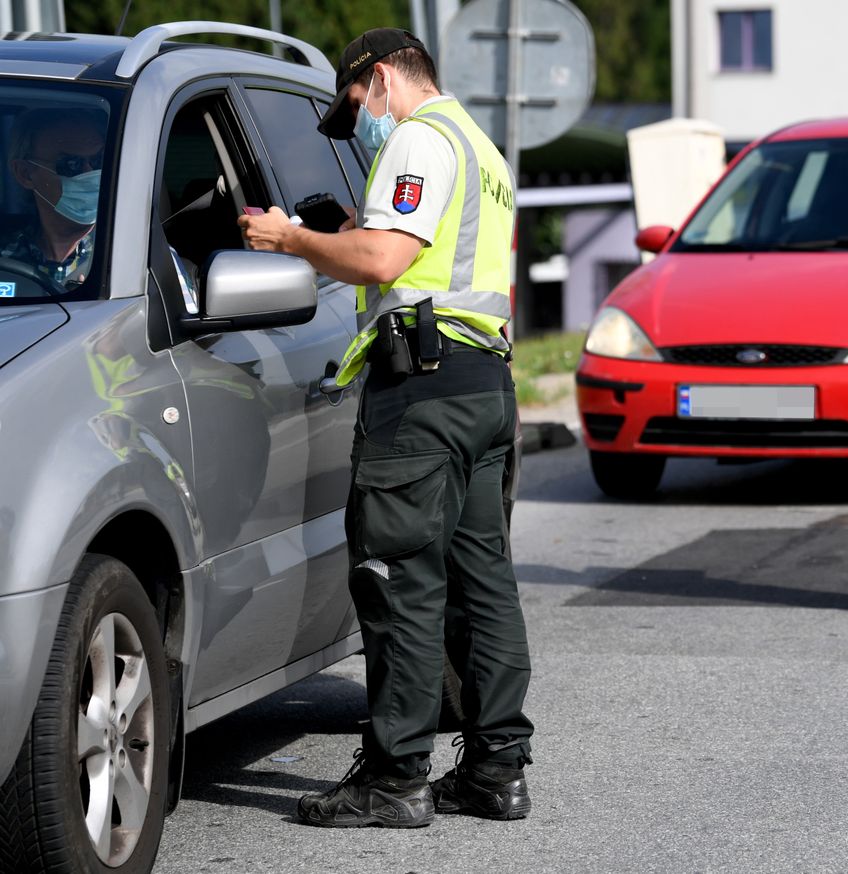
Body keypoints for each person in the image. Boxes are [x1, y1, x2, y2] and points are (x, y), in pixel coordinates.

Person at [239, 27, 533, 828]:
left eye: (354, 108)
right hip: (482, 387)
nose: (360, 126)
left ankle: (397, 777)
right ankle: (497, 768)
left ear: (378, 79)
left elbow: (381, 261)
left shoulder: (416, 138)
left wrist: (290, 239)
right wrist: (339, 230)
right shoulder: (480, 147)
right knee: (484, 586)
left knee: (399, 582)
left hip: (423, 396)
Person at [4, 108, 105, 289]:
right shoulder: (5, 259)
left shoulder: (137, 256)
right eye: (71, 163)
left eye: (99, 161)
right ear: (25, 174)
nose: (90, 174)